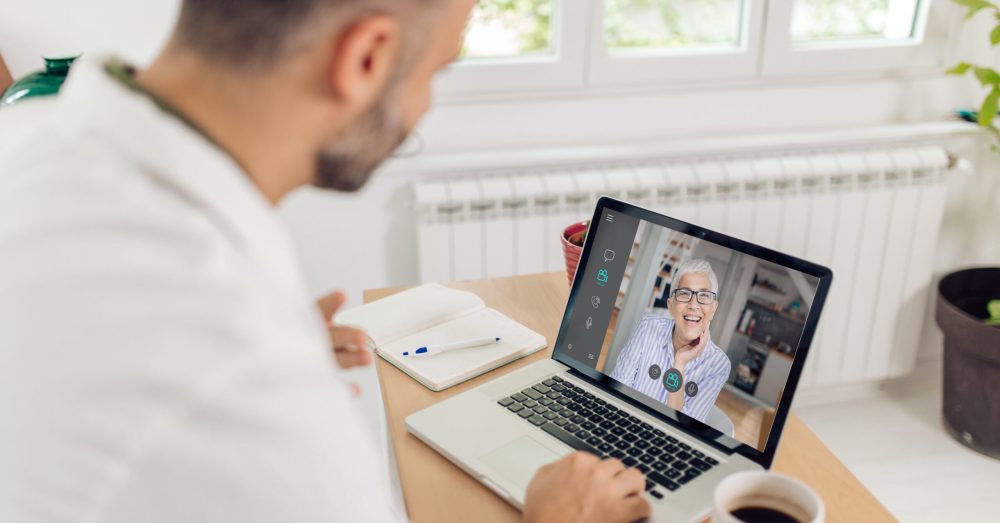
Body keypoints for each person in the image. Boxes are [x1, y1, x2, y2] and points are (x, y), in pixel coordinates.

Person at [0, 1, 649, 523]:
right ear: (365, 57)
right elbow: (203, 370)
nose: (424, 104)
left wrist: (271, 336)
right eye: (436, 71)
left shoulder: (27, 136)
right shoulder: (251, 383)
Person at [610, 259, 731, 424]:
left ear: (713, 308)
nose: (694, 305)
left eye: (704, 296)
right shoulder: (648, 327)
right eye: (684, 294)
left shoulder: (718, 364)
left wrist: (679, 364)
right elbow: (617, 389)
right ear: (671, 305)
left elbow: (684, 428)